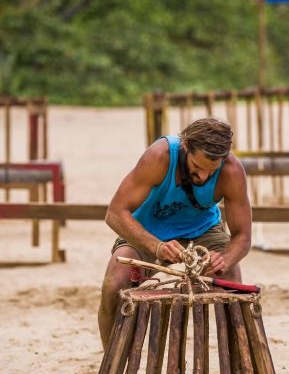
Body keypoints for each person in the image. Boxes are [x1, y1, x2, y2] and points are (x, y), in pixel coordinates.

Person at [100, 117, 251, 350]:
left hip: (203, 229)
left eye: (211, 171)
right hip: (148, 230)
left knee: (231, 280)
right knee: (114, 284)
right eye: (197, 167)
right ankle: (111, 370)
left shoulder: (231, 171)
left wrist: (225, 258)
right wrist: (157, 247)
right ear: (185, 146)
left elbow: (242, 237)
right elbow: (116, 213)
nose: (203, 177)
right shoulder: (159, 157)